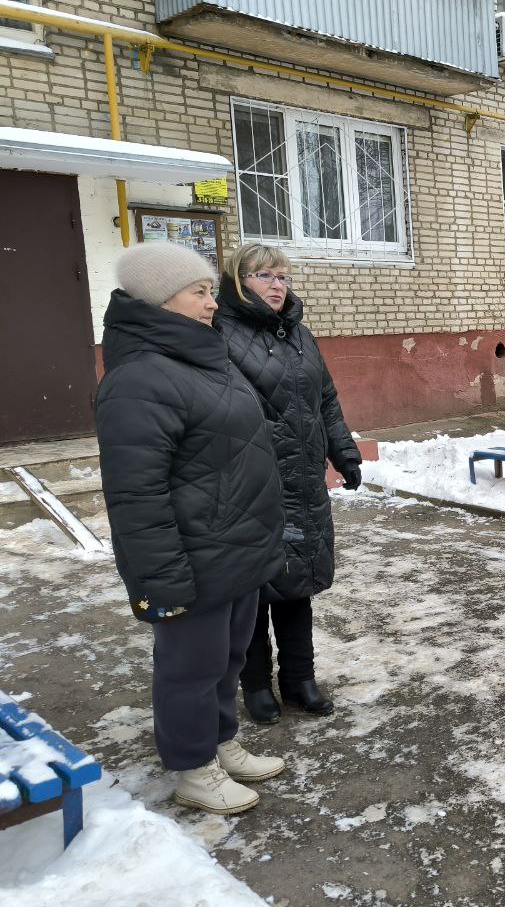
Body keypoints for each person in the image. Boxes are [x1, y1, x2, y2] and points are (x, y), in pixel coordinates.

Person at [95, 242, 286, 815]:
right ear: (159, 300)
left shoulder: (205, 358)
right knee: (188, 669)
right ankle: (193, 768)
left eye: (210, 290)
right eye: (200, 291)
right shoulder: (138, 381)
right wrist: (161, 577)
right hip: (192, 556)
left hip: (235, 548)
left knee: (226, 659)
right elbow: (135, 495)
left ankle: (220, 742)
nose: (212, 301)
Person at [215, 244, 361, 725]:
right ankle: (256, 685)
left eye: (282, 275)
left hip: (302, 481)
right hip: (250, 484)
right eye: (264, 275)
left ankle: (300, 678)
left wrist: (343, 451)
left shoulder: (299, 333)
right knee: (255, 587)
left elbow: (326, 399)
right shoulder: (220, 333)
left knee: (297, 583)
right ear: (239, 281)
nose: (278, 284)